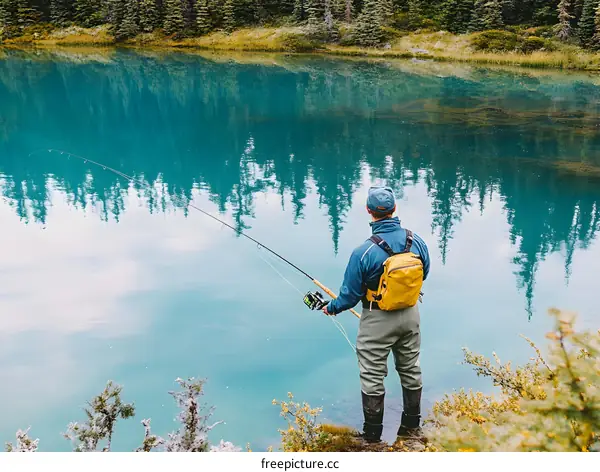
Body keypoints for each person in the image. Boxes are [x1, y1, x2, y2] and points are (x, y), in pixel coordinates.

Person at [322, 186, 430, 445]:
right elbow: (423, 274)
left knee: (372, 375)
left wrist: (332, 307)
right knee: (410, 368)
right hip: (411, 314)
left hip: (377, 320)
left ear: (369, 211)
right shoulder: (417, 241)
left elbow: (349, 296)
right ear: (395, 209)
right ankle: (412, 428)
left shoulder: (364, 252)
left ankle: (372, 438)